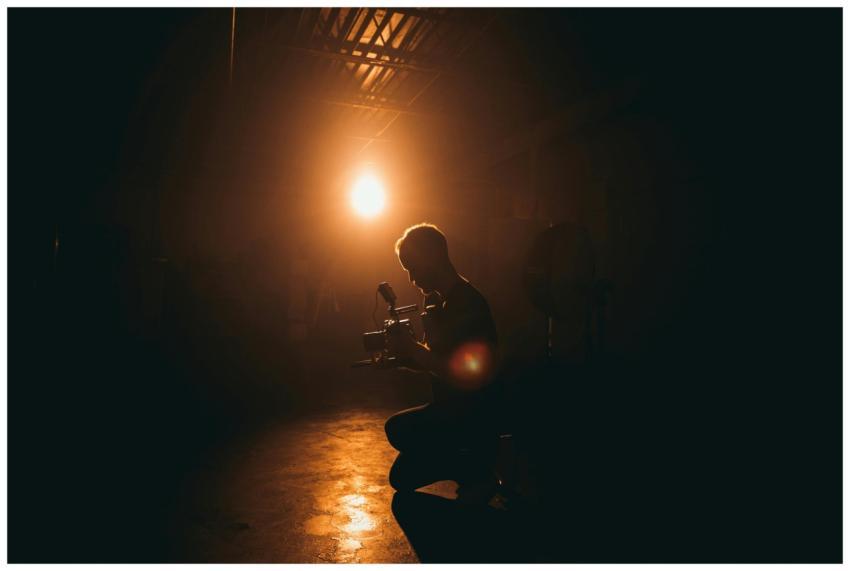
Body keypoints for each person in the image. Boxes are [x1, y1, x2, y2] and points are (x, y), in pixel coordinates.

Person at [384, 223, 501, 498]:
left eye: (413, 267)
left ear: (434, 256)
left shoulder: (467, 303)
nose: (412, 278)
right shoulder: (442, 303)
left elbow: (465, 376)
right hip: (454, 408)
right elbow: (440, 362)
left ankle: (475, 463)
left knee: (398, 430)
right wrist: (404, 357)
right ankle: (467, 464)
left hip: (473, 412)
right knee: (401, 475)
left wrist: (414, 350)